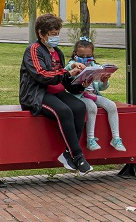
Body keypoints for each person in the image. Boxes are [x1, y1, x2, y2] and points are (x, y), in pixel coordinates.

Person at [18, 13, 93, 175]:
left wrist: (81, 83)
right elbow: (42, 75)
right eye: (53, 34)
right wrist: (68, 73)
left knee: (79, 107)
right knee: (64, 111)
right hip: (36, 94)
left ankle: (67, 154)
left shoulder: (57, 52)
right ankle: (78, 156)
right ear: (41, 34)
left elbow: (65, 81)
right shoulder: (33, 50)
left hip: (56, 91)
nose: (56, 37)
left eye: (58, 34)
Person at [67, 37, 127, 152]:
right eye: (81, 56)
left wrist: (104, 81)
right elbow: (67, 69)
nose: (85, 59)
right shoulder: (73, 64)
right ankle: (90, 139)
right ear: (75, 55)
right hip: (80, 97)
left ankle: (116, 138)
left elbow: (100, 87)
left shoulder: (94, 66)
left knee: (111, 106)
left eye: (88, 56)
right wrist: (74, 65)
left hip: (94, 94)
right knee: (91, 107)